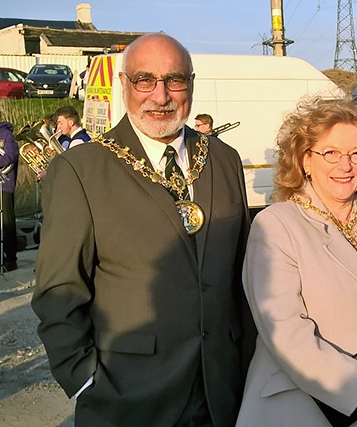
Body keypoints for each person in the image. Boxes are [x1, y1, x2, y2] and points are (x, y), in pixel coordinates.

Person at [32, 33, 255, 427]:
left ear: (191, 83)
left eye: (175, 79)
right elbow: (59, 290)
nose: (161, 95)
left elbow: (241, 275)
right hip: (127, 399)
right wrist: (84, 380)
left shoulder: (223, 158)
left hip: (223, 394)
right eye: (144, 80)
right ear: (124, 85)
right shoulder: (81, 170)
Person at [236, 97, 357, 426]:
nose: (346, 166)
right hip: (303, 411)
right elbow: (285, 332)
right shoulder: (275, 225)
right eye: (331, 153)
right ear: (304, 160)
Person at [0, 109, 19, 272]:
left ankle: (11, 258)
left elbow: (10, 156)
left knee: (7, 221)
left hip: (4, 184)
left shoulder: (6, 134)